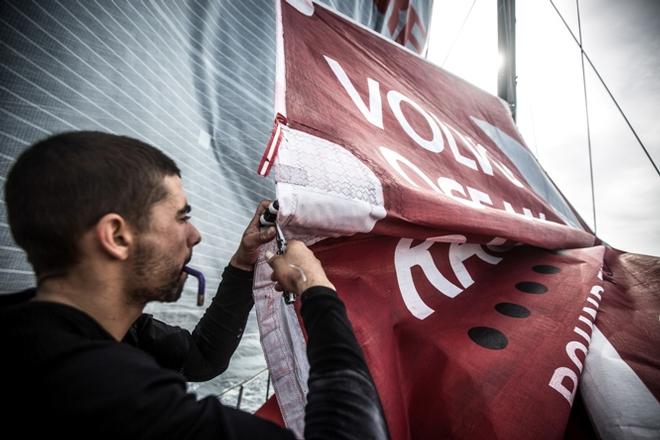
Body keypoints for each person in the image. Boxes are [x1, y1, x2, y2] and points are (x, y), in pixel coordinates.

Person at [0, 131, 388, 439]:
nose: (195, 234)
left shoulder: (66, 331)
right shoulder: (108, 393)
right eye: (181, 217)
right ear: (116, 236)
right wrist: (318, 291)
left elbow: (202, 357)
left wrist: (242, 261)